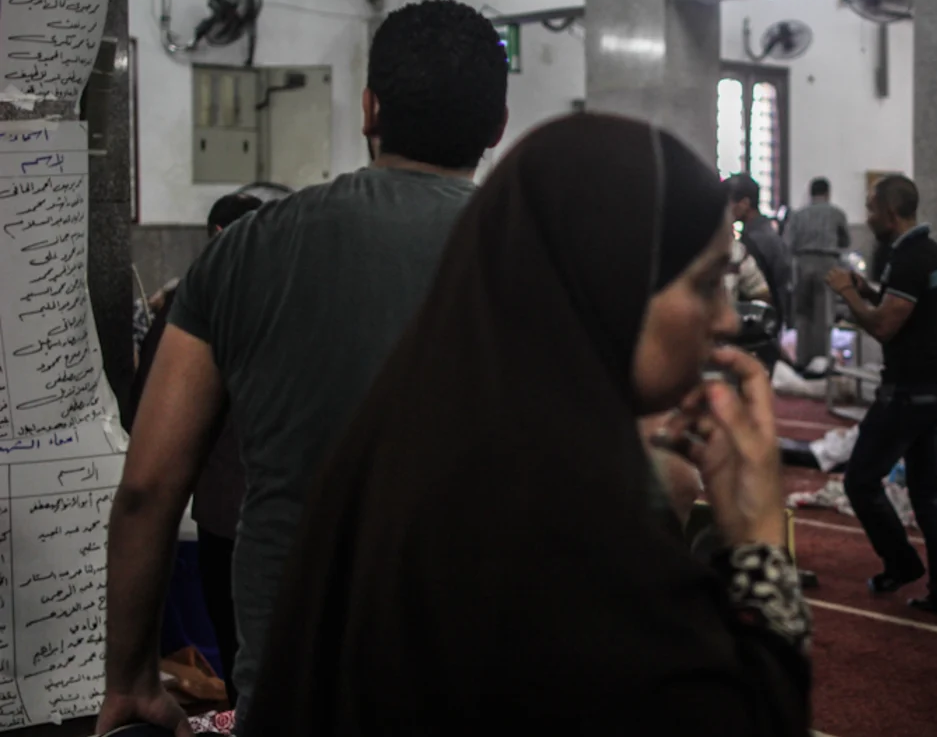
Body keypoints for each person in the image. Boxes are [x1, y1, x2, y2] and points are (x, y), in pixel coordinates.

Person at [241, 115, 811, 736]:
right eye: (706, 284)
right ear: (608, 281)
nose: (727, 321)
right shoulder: (562, 521)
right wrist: (758, 547)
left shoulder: (413, 433)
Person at [99, 0, 510, 735]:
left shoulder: (246, 250)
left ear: (368, 109)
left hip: (298, 693)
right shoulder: (546, 256)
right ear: (497, 127)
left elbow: (148, 487)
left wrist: (130, 677)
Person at [126, 192, 264, 706]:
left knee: (238, 661)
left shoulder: (194, 304)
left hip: (225, 515)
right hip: (295, 516)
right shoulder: (302, 300)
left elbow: (147, 418)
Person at [824, 175, 937, 617]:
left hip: (910, 394)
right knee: (927, 495)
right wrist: (868, 291)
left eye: (870, 208)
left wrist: (847, 293)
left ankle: (902, 562)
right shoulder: (933, 253)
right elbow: (904, 308)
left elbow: (885, 326)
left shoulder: (909, 258)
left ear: (890, 211)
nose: (867, 217)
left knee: (860, 481)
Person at [784, 177, 849, 372]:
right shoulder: (836, 213)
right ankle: (820, 362)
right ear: (828, 193)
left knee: (803, 313)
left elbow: (788, 243)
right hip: (826, 263)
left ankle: (802, 360)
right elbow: (845, 241)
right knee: (823, 314)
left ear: (811, 193)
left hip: (802, 264)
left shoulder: (798, 215)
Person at [725, 174, 791, 327]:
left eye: (729, 202)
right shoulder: (765, 233)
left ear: (745, 204)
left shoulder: (756, 239)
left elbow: (762, 290)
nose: (726, 208)